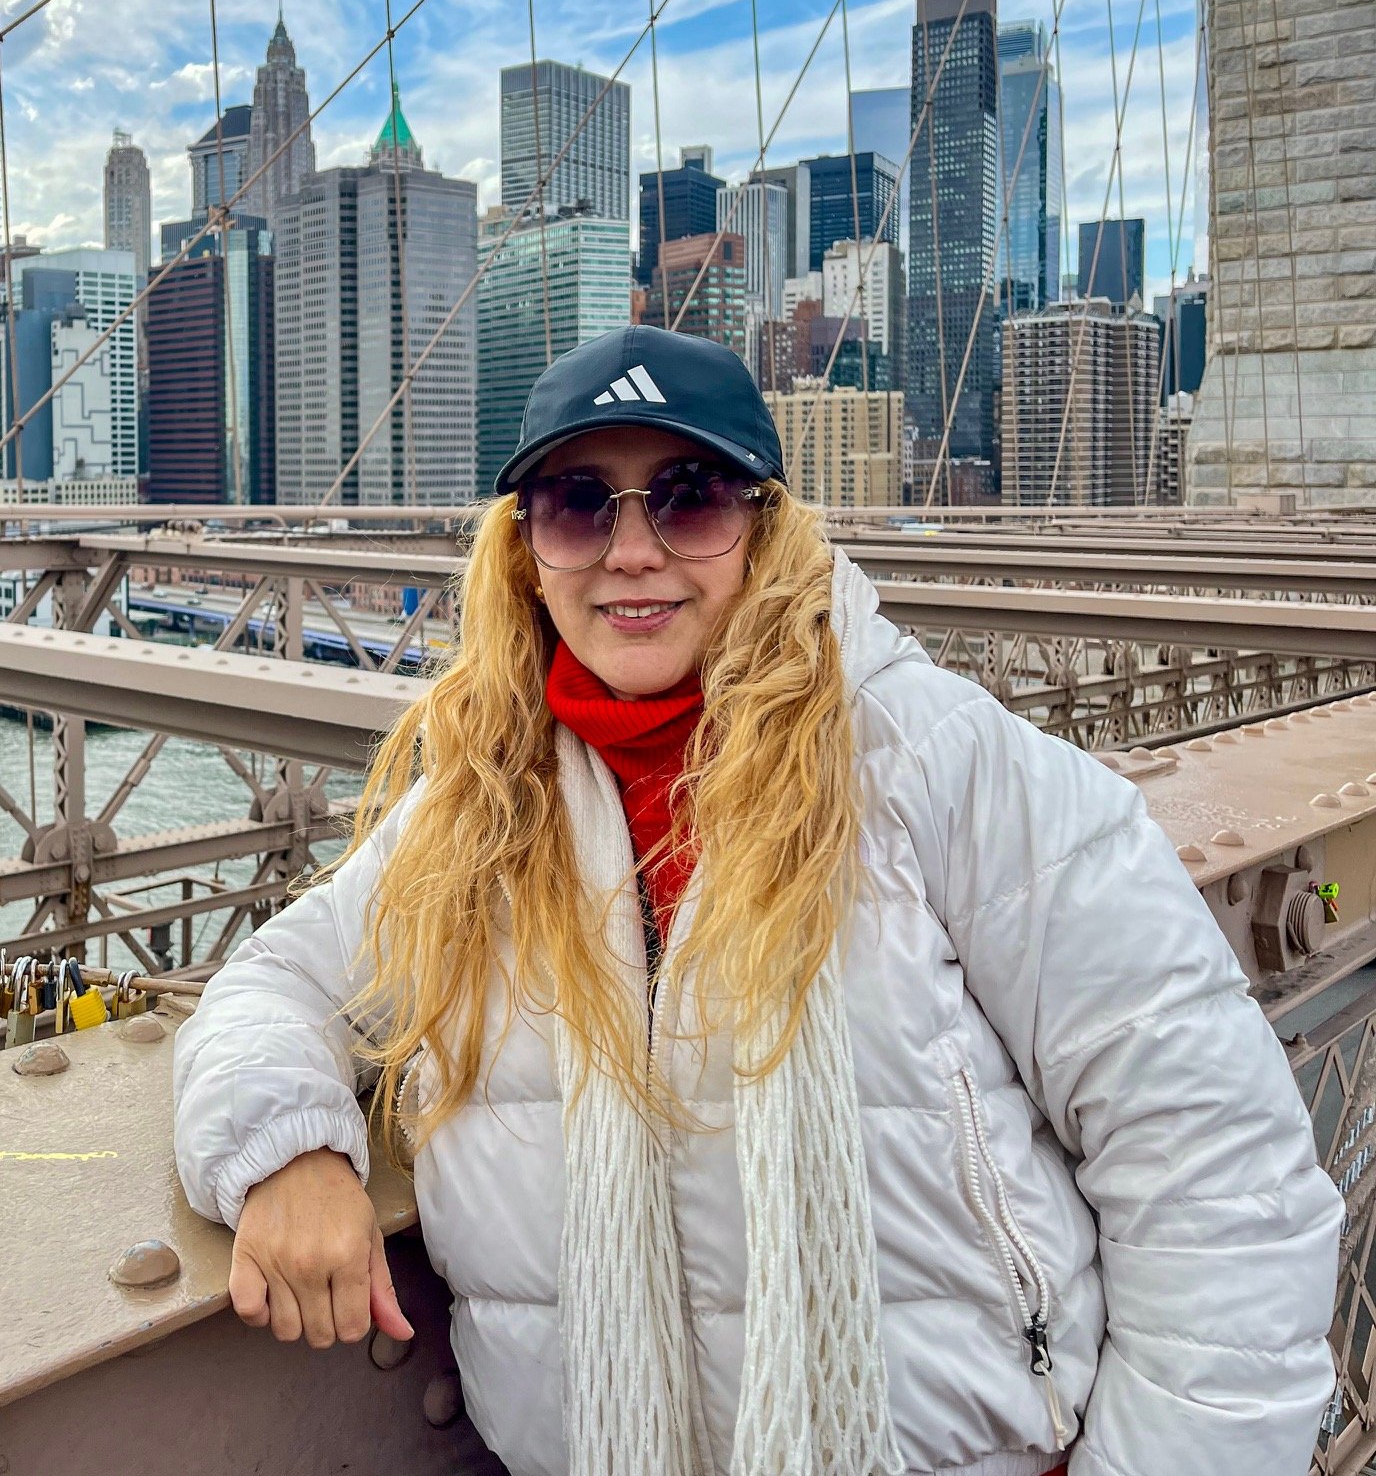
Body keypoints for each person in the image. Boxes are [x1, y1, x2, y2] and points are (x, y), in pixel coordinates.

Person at [171, 326, 1341, 1476]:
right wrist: (288, 1152)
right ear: (525, 552)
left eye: (689, 497)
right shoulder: (475, 814)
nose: (633, 551)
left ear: (766, 527)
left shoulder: (935, 762)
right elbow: (275, 984)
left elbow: (1216, 1169)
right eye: (579, 505)